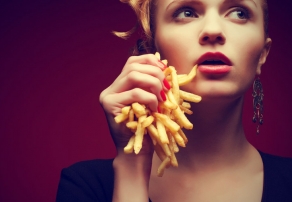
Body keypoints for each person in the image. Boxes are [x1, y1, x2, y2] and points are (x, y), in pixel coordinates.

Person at [56, 0, 292, 201]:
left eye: (239, 12)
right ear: (152, 47)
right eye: (186, 12)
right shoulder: (85, 187)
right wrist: (131, 170)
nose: (213, 30)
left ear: (262, 53)